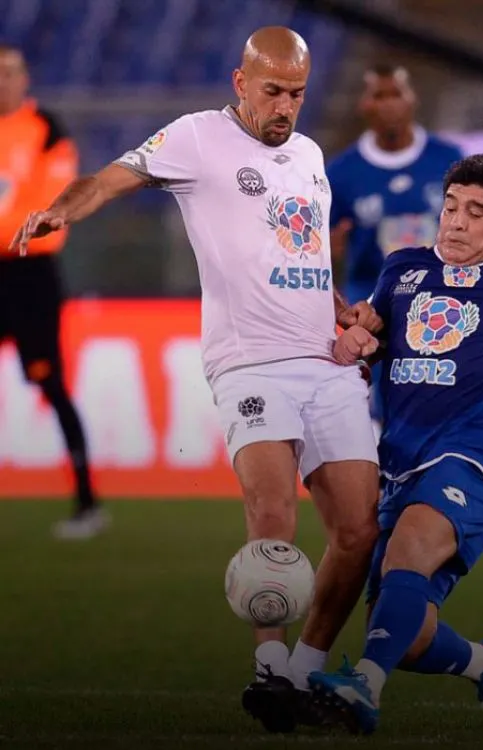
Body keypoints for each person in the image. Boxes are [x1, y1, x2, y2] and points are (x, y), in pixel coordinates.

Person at [11, 27, 382, 734]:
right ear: (241, 84)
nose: (285, 106)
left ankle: (305, 670)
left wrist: (345, 316)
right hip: (249, 360)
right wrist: (65, 208)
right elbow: (114, 177)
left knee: (359, 529)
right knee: (273, 512)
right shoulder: (197, 138)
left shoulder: (308, 156)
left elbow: (306, 258)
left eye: (297, 94)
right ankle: (269, 671)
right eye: (272, 90)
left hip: (324, 361)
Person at [309, 155, 483, 734]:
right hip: (404, 454)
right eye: (452, 208)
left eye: (476, 212)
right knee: (405, 634)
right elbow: (374, 335)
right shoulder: (402, 269)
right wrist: (359, 337)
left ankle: (364, 686)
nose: (456, 223)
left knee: (411, 546)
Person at [0, 44, 106, 539]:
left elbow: (46, 214)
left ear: (26, 79)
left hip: (29, 275)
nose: (3, 81)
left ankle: (87, 502)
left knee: (50, 383)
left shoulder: (46, 130)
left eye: (10, 73)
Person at [326, 64, 463, 432]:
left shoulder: (448, 159)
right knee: (374, 406)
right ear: (364, 104)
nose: (388, 104)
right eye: (378, 95)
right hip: (372, 303)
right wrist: (333, 248)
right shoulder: (341, 173)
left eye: (395, 94)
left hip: (442, 301)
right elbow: (323, 244)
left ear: (412, 99)